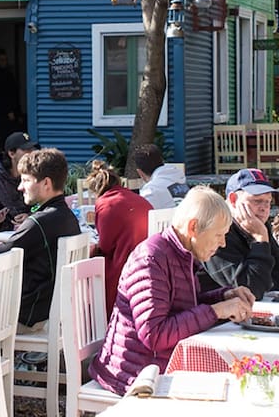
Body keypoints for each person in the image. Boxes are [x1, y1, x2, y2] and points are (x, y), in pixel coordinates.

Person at [89, 187, 256, 396]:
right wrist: (216, 311)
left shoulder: (179, 252)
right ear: (193, 227)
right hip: (135, 374)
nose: (222, 243)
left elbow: (179, 305)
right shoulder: (151, 259)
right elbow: (154, 334)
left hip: (156, 364)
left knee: (244, 382)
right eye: (219, 235)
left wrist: (223, 296)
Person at [0, 148, 80, 328]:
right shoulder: (68, 216)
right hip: (53, 308)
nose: (20, 187)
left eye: (25, 180)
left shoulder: (39, 222)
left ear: (46, 183)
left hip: (32, 315)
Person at [202, 168, 279, 298]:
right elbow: (249, 289)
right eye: (257, 200)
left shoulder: (259, 226)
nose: (263, 208)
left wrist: (264, 284)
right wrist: (260, 240)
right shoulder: (216, 232)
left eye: (268, 201)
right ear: (233, 200)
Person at [85, 159, 150, 310]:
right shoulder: (137, 199)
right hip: (146, 263)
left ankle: (92, 320)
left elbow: (106, 246)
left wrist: (93, 248)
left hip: (123, 270)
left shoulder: (106, 203)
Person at [0, 131, 36, 231]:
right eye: (26, 150)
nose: (31, 154)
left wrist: (30, 216)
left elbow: (44, 206)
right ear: (11, 153)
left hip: (31, 227)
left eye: (32, 149)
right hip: (3, 233)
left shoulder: (35, 174)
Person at [133, 145, 187, 210]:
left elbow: (141, 214)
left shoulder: (150, 190)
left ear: (140, 173)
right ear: (162, 161)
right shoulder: (178, 175)